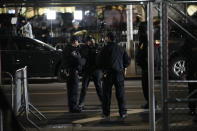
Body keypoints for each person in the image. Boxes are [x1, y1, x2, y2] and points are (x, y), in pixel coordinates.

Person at [97, 32, 131, 119]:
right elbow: (127, 61)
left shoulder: (104, 49)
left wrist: (103, 69)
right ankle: (122, 112)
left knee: (106, 95)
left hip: (108, 74)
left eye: (106, 37)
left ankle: (106, 113)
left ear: (108, 38)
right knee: (120, 94)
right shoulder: (121, 48)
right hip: (119, 74)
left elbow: (99, 62)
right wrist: (124, 67)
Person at [136, 20, 160, 109]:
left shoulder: (148, 40)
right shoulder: (147, 39)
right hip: (147, 67)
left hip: (148, 67)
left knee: (147, 87)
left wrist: (145, 64)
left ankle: (153, 103)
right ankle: (150, 103)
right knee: (146, 87)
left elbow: (151, 55)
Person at [78, 35, 103, 109]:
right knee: (84, 87)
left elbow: (100, 55)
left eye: (91, 40)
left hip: (96, 70)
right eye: (88, 41)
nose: (90, 42)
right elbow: (84, 54)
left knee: (98, 87)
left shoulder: (97, 47)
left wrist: (94, 47)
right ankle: (81, 103)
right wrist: (90, 48)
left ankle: (103, 101)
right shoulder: (84, 48)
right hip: (87, 70)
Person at [62, 35, 85, 113]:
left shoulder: (67, 48)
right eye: (78, 41)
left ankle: (71, 106)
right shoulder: (72, 50)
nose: (78, 43)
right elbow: (79, 61)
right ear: (75, 41)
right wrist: (83, 61)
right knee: (73, 90)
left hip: (69, 71)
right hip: (73, 72)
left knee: (70, 90)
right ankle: (73, 107)